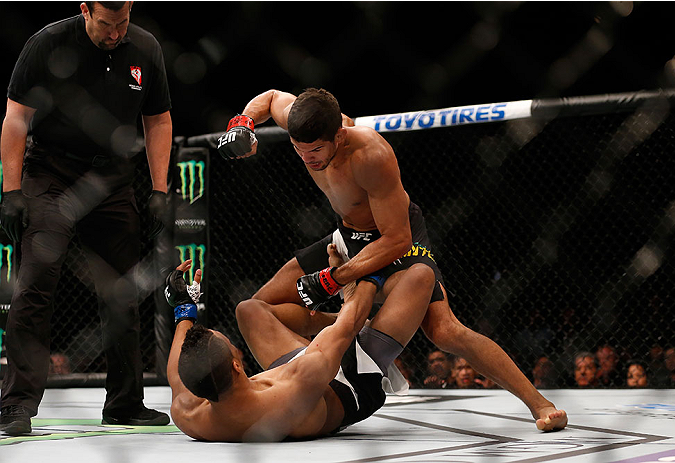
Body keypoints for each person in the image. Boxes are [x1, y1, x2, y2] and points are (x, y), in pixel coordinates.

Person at [216, 88, 567, 431]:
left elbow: (396, 239)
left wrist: (334, 278)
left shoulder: (369, 154)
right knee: (260, 304)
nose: (307, 158)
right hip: (348, 233)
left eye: (315, 150)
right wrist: (242, 124)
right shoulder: (301, 122)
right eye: (299, 149)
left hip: (395, 237)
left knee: (445, 331)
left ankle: (540, 403)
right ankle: (343, 343)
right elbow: (272, 97)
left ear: (338, 135)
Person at [0, 1, 172, 436]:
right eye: (106, 24)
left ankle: (125, 402)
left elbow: (158, 120)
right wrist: (12, 192)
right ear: (85, 11)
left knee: (123, 289)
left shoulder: (146, 48)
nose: (116, 34)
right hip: (52, 172)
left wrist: (159, 190)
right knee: (37, 279)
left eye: (123, 23)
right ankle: (16, 403)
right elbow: (16, 118)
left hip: (113, 175)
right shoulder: (48, 43)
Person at [165, 244, 437, 441]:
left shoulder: (188, 412)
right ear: (237, 365)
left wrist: (183, 307)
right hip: (349, 385)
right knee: (422, 275)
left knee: (248, 310)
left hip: (302, 366)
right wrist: (362, 269)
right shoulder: (290, 392)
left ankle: (336, 309)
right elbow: (348, 325)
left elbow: (179, 367)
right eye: (231, 344)